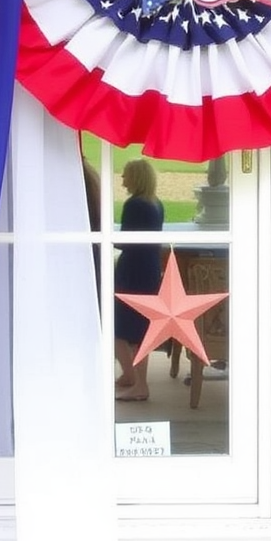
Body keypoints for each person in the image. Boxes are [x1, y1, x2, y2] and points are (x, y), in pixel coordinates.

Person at [113, 157, 165, 402]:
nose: (123, 180)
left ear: (135, 178)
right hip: (149, 269)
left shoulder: (134, 205)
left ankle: (138, 382)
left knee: (125, 328)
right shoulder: (156, 204)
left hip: (132, 271)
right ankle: (130, 375)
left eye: (126, 175)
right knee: (136, 326)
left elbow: (125, 240)